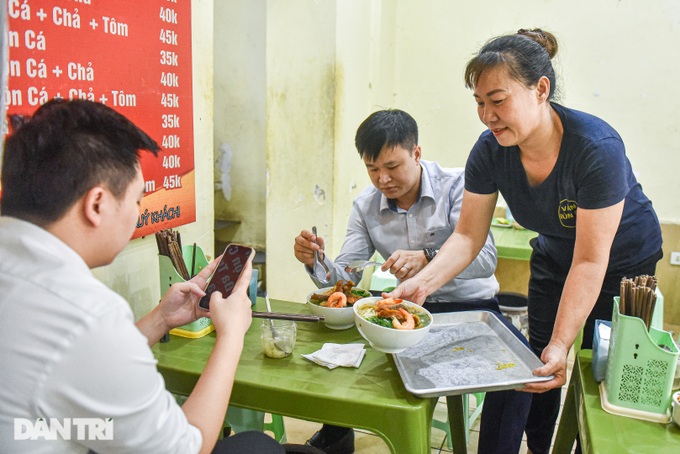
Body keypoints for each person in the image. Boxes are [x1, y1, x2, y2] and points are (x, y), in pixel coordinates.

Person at [387, 29, 663, 454]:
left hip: (622, 264)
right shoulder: (490, 150)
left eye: (498, 101)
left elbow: (591, 261)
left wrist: (564, 340)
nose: (487, 115)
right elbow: (467, 236)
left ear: (541, 90)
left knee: (599, 367)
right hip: (555, 255)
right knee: (540, 365)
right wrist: (423, 283)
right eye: (479, 103)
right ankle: (538, 446)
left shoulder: (595, 148)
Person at [0, 99, 286, 453]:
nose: (138, 213)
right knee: (257, 447)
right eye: (137, 200)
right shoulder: (86, 313)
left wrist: (161, 320)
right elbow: (188, 447)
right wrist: (231, 335)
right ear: (98, 205)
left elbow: (83, 367)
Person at [294, 109, 532, 454]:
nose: (382, 179)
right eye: (372, 169)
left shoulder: (458, 187)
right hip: (404, 306)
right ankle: (336, 434)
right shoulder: (365, 206)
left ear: (416, 153)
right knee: (337, 344)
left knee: (516, 377)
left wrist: (428, 257)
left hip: (468, 306)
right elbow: (347, 277)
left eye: (392, 167)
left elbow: (485, 260)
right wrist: (316, 261)